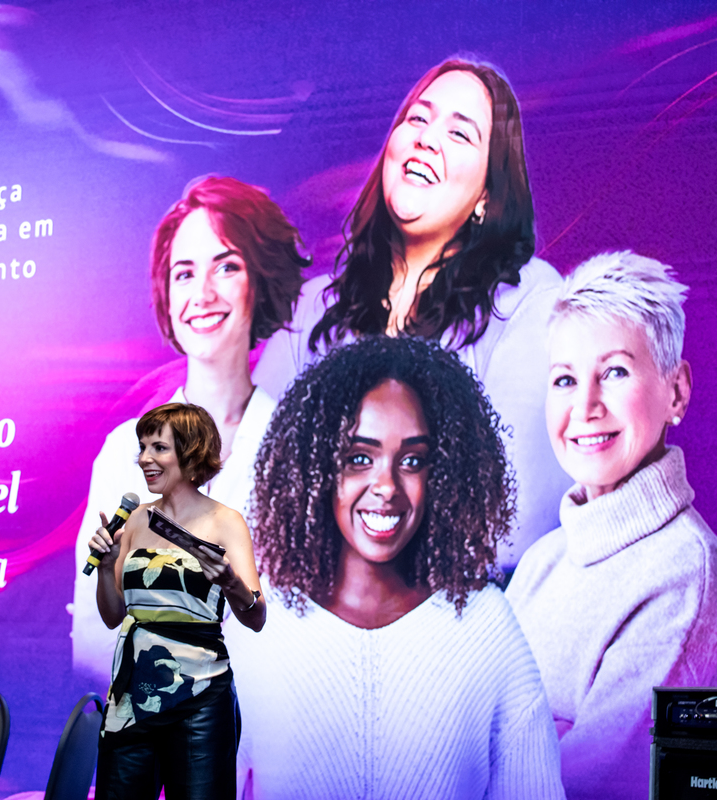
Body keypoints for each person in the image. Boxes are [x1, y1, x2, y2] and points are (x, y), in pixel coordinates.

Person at [251, 57, 571, 566]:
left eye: (460, 134)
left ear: (487, 196)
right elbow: (249, 490)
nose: (426, 138)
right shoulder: (313, 307)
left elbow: (514, 521)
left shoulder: (528, 301)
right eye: (417, 118)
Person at [226, 336, 564, 799]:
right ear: (318, 468)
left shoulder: (487, 629)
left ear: (442, 474)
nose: (385, 485)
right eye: (359, 458)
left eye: (412, 460)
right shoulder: (260, 628)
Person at [505, 251, 717, 799]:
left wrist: (518, 748)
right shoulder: (544, 560)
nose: (585, 405)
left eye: (614, 372)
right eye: (565, 379)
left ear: (676, 391)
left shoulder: (685, 572)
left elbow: (583, 787)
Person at [72, 177, 307, 689]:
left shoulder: (303, 453)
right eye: (184, 273)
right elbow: (93, 637)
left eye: (226, 266)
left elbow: (302, 633)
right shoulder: (123, 453)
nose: (202, 295)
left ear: (260, 280)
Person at [88, 403, 265, 800]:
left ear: (191, 452)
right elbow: (113, 615)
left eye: (159, 448)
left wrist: (231, 583)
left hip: (200, 699)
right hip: (131, 701)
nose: (144, 459)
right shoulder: (136, 520)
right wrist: (107, 566)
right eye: (142, 448)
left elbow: (257, 617)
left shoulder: (225, 521)